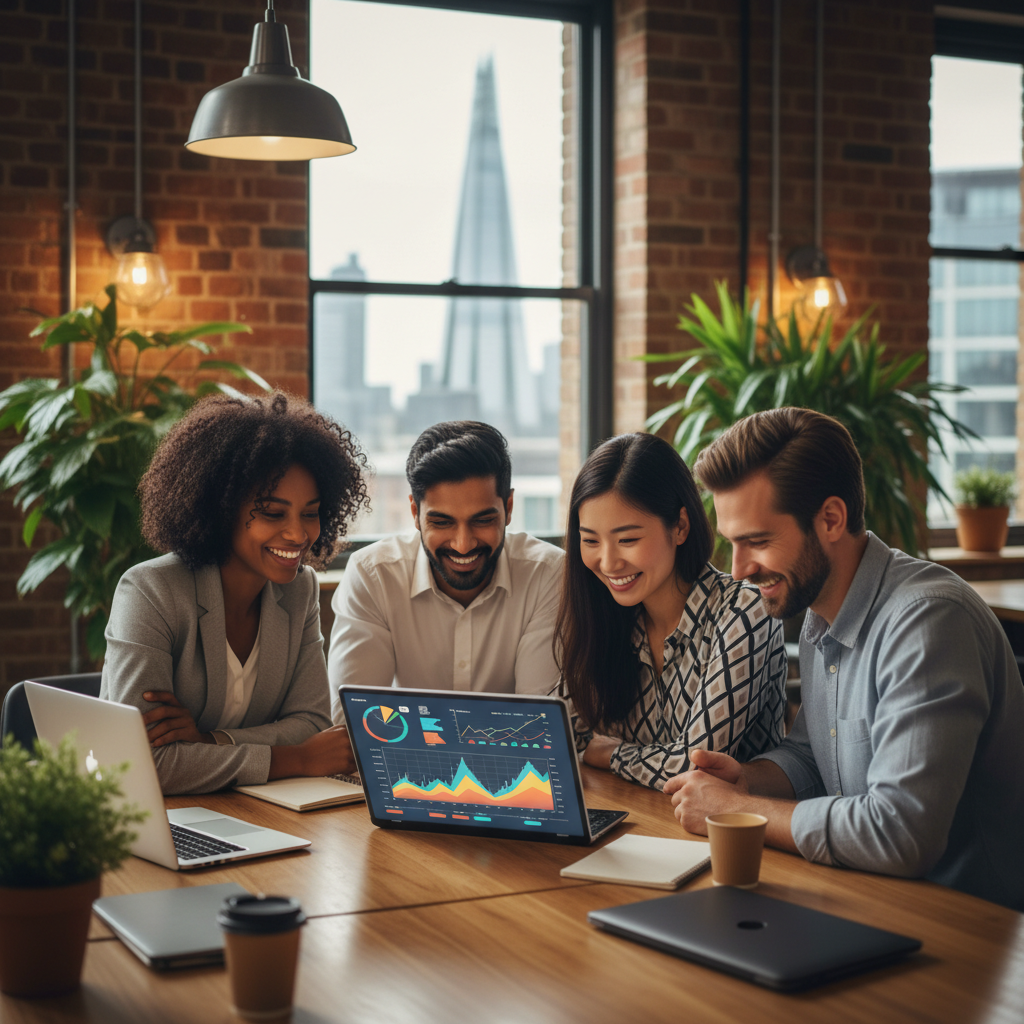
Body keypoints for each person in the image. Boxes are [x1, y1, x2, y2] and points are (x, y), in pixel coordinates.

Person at [665, 407, 1024, 910]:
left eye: (758, 541)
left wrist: (739, 810)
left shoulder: (929, 623)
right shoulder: (820, 612)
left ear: (831, 519)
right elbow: (815, 755)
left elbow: (901, 833)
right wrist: (747, 779)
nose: (739, 570)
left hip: (972, 934)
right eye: (731, 544)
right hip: (872, 902)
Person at [101, 392, 370, 795]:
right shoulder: (151, 592)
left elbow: (312, 723)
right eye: (273, 513)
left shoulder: (300, 590)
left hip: (256, 813)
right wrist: (296, 758)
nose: (298, 535)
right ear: (221, 508)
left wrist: (211, 742)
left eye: (310, 513)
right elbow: (142, 763)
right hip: (157, 822)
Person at [555, 432, 787, 791]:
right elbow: (556, 739)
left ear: (679, 526)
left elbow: (696, 767)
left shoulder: (744, 609)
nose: (608, 562)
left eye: (627, 540)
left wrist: (614, 755)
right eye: (590, 540)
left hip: (732, 839)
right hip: (643, 825)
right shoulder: (609, 615)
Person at [328, 421, 563, 719]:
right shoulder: (372, 576)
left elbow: (541, 723)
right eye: (442, 522)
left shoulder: (548, 574)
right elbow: (354, 724)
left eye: (482, 520)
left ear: (510, 507)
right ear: (415, 513)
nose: (463, 545)